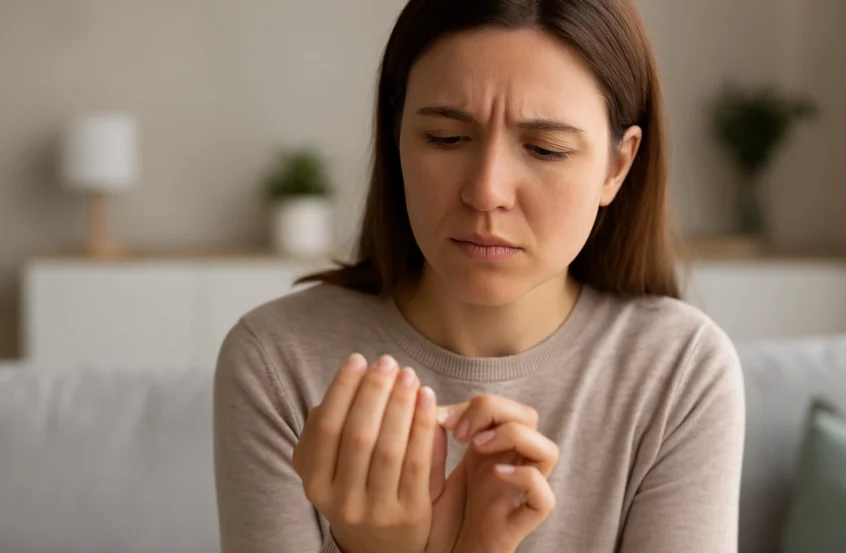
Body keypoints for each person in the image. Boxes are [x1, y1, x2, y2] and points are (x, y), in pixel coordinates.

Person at [212, 0, 746, 552]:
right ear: (397, 136)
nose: (487, 191)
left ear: (617, 166)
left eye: (546, 149)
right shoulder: (277, 361)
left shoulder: (679, 371)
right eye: (446, 138)